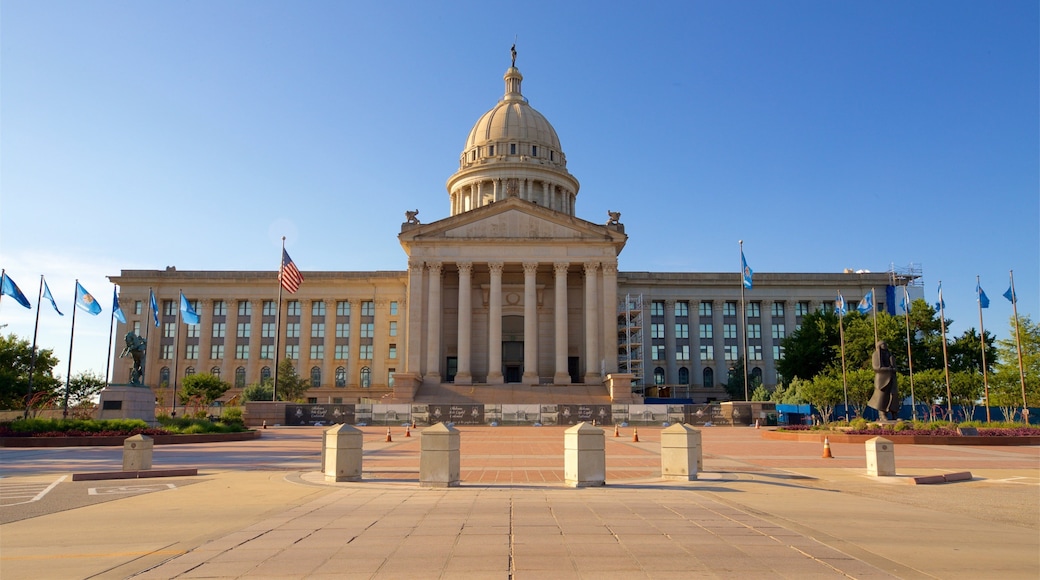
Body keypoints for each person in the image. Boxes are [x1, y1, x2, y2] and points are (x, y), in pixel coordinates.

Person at [868, 340, 900, 420]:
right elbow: (876, 368)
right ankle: (882, 415)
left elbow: (894, 367)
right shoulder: (876, 355)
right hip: (882, 379)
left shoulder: (889, 355)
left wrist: (892, 367)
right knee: (882, 397)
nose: (885, 346)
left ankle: (894, 414)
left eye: (885, 344)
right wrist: (888, 369)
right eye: (883, 344)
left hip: (892, 378)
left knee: (893, 396)